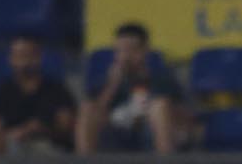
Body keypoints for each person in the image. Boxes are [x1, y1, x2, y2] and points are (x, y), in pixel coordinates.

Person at [76, 22, 187, 155]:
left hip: (148, 132)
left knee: (160, 106)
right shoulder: (105, 82)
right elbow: (96, 113)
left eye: (130, 50)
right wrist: (112, 85)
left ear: (144, 50)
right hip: (115, 131)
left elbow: (181, 115)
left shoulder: (162, 79)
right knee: (87, 107)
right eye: (119, 51)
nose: (125, 56)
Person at [0, 36, 76, 155]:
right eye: (18, 55)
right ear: (11, 59)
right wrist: (4, 135)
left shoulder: (56, 90)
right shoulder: (2, 92)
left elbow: (66, 124)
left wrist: (34, 129)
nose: (23, 60)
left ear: (38, 57)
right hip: (11, 147)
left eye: (27, 54)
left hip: (50, 148)